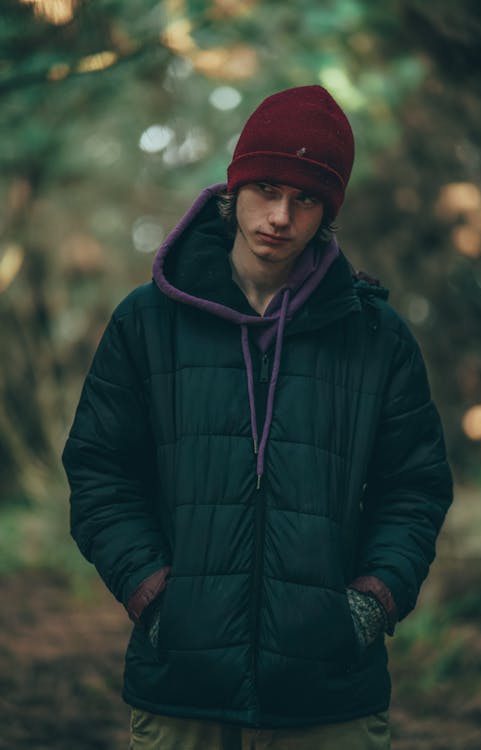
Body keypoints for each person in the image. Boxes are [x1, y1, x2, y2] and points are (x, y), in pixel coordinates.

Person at [62, 85, 453, 749]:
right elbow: (100, 470)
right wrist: (154, 598)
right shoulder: (146, 321)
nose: (280, 215)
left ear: (327, 211)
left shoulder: (377, 337)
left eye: (305, 199)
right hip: (181, 680)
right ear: (233, 188)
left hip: (331, 692)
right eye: (267, 188)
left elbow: (413, 487)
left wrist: (369, 603)